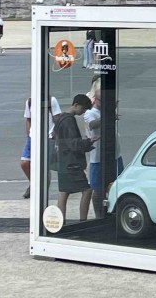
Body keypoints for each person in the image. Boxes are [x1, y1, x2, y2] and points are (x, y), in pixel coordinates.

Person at [83, 77, 124, 217]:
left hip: (114, 154)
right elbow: (93, 124)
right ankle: (98, 215)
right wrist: (109, 115)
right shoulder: (90, 113)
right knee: (98, 189)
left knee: (115, 185)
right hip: (98, 158)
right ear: (96, 99)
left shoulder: (107, 111)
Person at [54, 94, 96, 222]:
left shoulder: (62, 118)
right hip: (71, 163)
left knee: (64, 192)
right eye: (83, 109)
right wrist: (89, 141)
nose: (83, 112)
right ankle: (83, 221)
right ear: (76, 105)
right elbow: (73, 143)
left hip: (62, 161)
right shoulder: (69, 120)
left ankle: (61, 222)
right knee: (87, 190)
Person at [21, 94, 62, 199]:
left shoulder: (51, 100)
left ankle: (43, 192)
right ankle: (33, 184)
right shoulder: (30, 101)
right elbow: (28, 119)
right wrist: (29, 134)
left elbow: (58, 118)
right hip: (33, 137)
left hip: (48, 137)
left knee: (44, 166)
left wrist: (55, 133)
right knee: (24, 163)